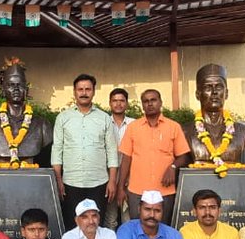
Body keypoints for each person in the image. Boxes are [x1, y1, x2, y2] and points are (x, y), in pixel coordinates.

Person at [52, 73, 119, 221]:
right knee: (73, 224)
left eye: (88, 89)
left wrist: (112, 181)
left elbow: (111, 151)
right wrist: (58, 180)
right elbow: (57, 150)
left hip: (99, 182)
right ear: (74, 92)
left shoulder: (104, 118)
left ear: (94, 91)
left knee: (96, 224)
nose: (84, 93)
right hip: (70, 182)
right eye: (80, 89)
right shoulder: (63, 118)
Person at [116, 89, 190, 222]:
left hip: (164, 191)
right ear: (142, 105)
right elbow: (126, 158)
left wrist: (173, 167)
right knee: (138, 229)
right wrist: (120, 188)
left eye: (153, 100)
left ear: (160, 102)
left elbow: (184, 155)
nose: (150, 104)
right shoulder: (133, 127)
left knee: (162, 229)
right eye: (146, 101)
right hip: (137, 191)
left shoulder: (173, 127)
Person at [181, 64, 245, 167]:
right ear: (198, 94)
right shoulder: (184, 132)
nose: (214, 92)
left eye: (219, 87)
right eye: (208, 87)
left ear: (226, 93)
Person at [0, 64, 53, 165]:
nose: (16, 88)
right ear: (2, 91)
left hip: (31, 176)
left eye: (20, 85)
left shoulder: (42, 125)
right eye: (11, 85)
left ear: (26, 90)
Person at [105, 88, 133, 229]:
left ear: (127, 104)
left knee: (128, 218)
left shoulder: (135, 124)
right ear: (110, 103)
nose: (118, 104)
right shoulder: (103, 122)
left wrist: (127, 178)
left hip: (129, 178)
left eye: (122, 100)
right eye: (115, 101)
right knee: (111, 220)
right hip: (108, 177)